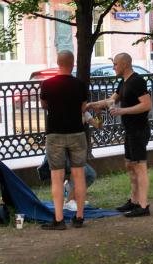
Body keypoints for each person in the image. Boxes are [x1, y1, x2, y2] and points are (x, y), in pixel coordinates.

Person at [87, 52, 152, 217]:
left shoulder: (137, 81)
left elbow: (146, 105)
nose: (113, 67)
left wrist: (123, 111)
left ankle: (143, 206)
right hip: (129, 130)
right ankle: (134, 201)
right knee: (130, 166)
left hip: (138, 130)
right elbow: (111, 101)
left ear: (124, 64)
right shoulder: (123, 82)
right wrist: (92, 105)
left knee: (140, 167)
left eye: (115, 64)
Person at [39, 50, 88, 230]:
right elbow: (83, 107)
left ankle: (59, 219)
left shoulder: (47, 84)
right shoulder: (80, 85)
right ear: (73, 63)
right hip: (77, 133)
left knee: (57, 177)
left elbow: (44, 105)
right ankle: (80, 217)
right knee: (79, 175)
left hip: (55, 134)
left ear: (58, 62)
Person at [37, 110, 101, 211]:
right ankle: (69, 201)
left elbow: (98, 125)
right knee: (81, 171)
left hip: (73, 152)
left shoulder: (84, 112)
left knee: (90, 174)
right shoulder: (63, 111)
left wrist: (98, 113)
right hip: (61, 152)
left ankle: (74, 196)